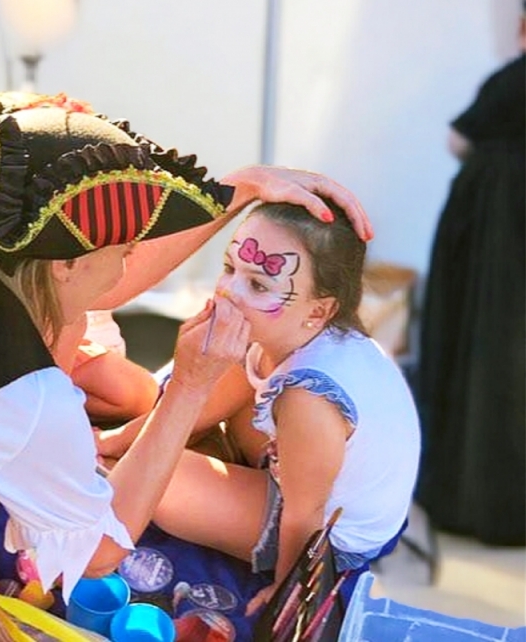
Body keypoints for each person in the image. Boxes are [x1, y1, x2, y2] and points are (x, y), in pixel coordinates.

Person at [0, 90, 372, 642]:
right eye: (123, 251)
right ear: (68, 263)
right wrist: (188, 386)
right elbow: (98, 552)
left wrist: (242, 188)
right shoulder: (17, 389)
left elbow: (94, 289)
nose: (127, 269)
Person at [100, 199, 421, 614]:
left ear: (319, 309)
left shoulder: (308, 399)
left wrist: (286, 595)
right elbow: (201, 406)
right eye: (230, 268)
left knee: (158, 479)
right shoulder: (279, 333)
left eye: (258, 285)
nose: (229, 291)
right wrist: (110, 440)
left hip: (330, 535)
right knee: (170, 433)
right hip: (301, 473)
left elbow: (305, 517)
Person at [414, 2, 526, 546]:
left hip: (494, 241)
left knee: (485, 358)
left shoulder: (514, 79)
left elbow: (459, 140)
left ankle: (476, 502)